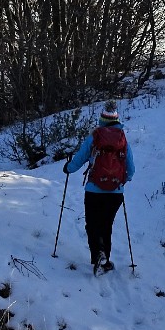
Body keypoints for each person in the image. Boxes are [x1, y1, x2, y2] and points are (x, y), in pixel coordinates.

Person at [64, 101, 135, 273]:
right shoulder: (122, 140)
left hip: (94, 190)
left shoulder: (94, 137)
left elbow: (79, 159)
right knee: (106, 225)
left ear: (102, 120)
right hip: (115, 192)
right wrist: (124, 180)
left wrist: (68, 168)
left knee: (92, 224)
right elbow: (131, 168)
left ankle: (98, 255)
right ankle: (105, 260)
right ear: (117, 120)